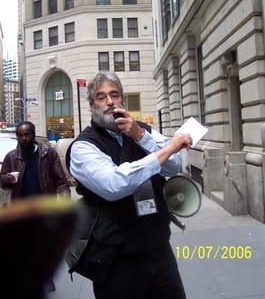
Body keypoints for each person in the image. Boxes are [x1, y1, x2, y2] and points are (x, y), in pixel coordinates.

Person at [69, 71, 192, 299]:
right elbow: (115, 184)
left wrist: (140, 135)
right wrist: (167, 149)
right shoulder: (82, 147)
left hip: (159, 252)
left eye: (114, 95)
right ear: (91, 105)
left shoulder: (140, 129)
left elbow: (173, 166)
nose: (109, 102)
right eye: (101, 96)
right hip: (117, 262)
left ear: (122, 99)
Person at [0, 121, 71, 292]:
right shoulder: (11, 157)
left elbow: (61, 181)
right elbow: (3, 182)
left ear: (33, 134)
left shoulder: (48, 154)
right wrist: (5, 179)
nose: (24, 139)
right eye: (20, 135)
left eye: (27, 134)